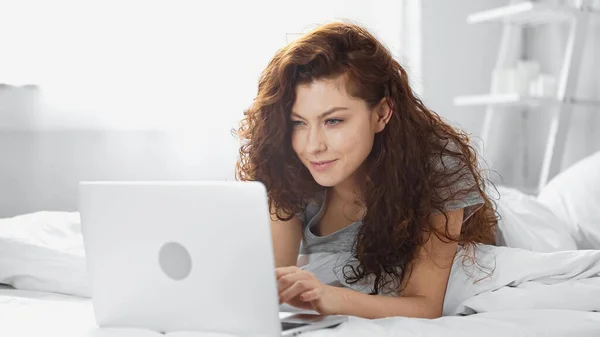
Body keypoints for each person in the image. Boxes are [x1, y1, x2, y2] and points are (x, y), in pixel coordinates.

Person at [234, 21, 498, 319]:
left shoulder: (437, 165)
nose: (312, 146)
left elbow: (425, 305)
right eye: (298, 123)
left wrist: (328, 297)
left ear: (382, 114)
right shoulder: (288, 166)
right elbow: (274, 284)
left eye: (333, 121)